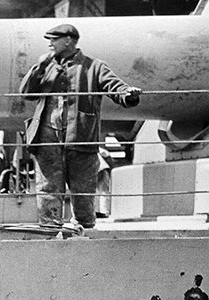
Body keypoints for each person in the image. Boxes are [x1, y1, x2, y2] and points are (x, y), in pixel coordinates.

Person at [19, 23, 141, 234]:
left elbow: (115, 86)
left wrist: (128, 94)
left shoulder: (94, 67)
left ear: (68, 41)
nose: (50, 43)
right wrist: (39, 67)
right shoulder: (46, 67)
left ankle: (85, 232)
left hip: (81, 139)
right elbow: (26, 93)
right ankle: (49, 233)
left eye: (54, 39)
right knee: (48, 191)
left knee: (83, 192)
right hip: (47, 140)